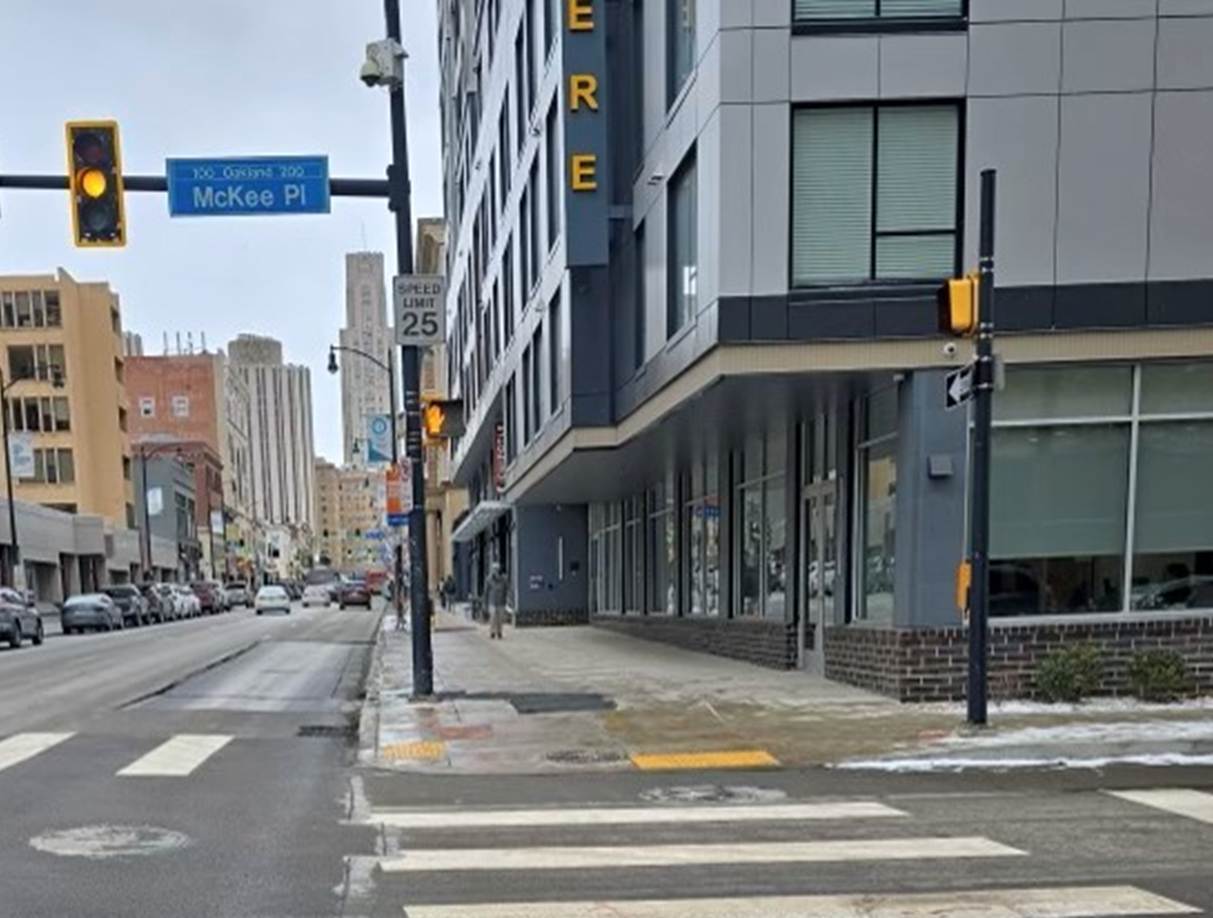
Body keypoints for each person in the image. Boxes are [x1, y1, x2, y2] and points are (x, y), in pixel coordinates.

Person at [485, 562, 509, 640]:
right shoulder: (489, 579)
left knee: (500, 619)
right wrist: (485, 603)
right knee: (492, 618)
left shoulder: (504, 579)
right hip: (492, 602)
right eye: (494, 569)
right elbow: (486, 591)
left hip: (501, 602)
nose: (495, 571)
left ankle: (499, 632)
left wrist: (506, 600)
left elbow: (506, 590)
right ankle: (492, 632)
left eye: (497, 569)